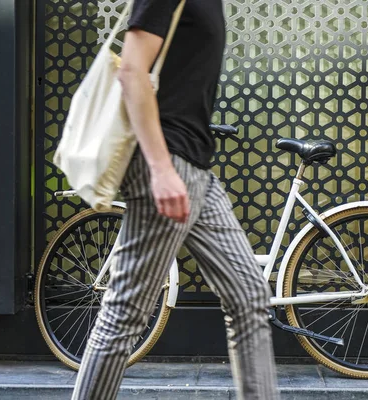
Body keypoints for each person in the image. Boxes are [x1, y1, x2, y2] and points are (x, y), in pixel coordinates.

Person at [71, 0, 280, 399]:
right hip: (168, 161)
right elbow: (131, 72)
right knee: (124, 315)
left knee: (250, 294)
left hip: (197, 168)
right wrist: (161, 169)